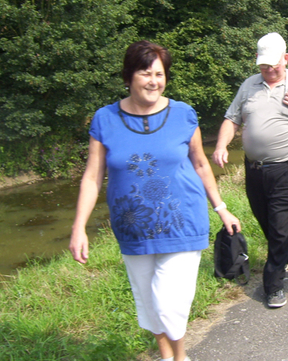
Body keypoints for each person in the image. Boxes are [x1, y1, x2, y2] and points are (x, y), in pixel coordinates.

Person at [69, 41, 240, 361]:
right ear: (128, 76)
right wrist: (79, 227)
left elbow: (201, 164)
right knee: (147, 301)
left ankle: (180, 357)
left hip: (183, 222)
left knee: (167, 301)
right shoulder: (104, 119)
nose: (153, 81)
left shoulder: (184, 115)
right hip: (132, 228)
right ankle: (170, 356)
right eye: (145, 73)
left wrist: (222, 208)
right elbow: (92, 177)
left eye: (159, 74)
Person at [212, 32, 288, 308]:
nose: (269, 70)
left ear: (285, 59)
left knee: (280, 224)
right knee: (268, 221)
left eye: (274, 65)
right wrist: (221, 145)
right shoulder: (249, 85)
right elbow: (231, 118)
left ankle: (273, 285)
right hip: (255, 170)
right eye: (264, 66)